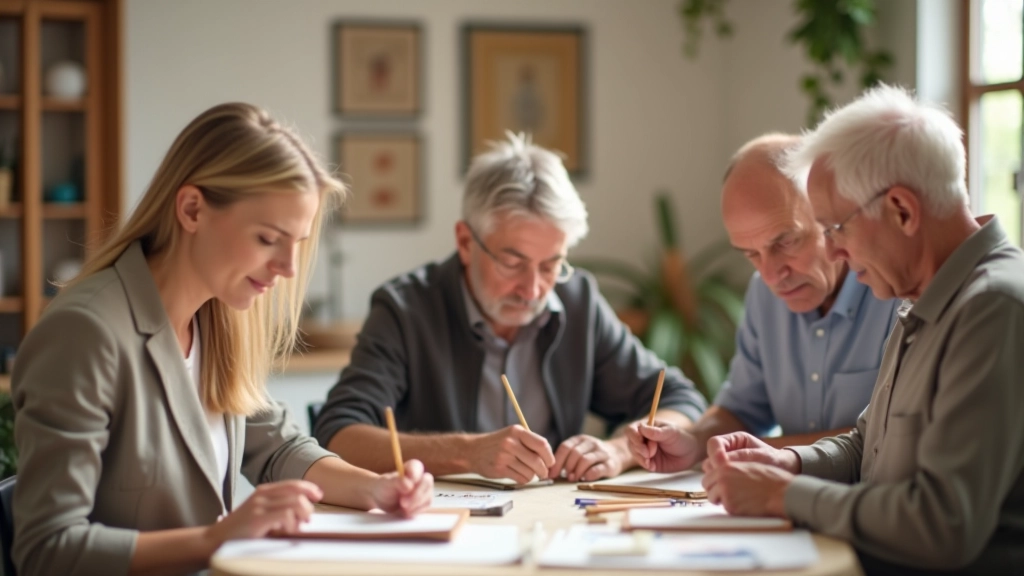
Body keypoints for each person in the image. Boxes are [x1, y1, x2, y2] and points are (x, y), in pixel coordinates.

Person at [11, 103, 434, 576]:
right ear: (192, 209)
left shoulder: (218, 317)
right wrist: (217, 538)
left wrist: (374, 488)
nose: (288, 268)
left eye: (296, 243)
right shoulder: (84, 333)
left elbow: (277, 447)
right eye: (268, 239)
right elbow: (47, 549)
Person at [645, 85, 1024, 574]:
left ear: (902, 211)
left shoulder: (992, 306)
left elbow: (943, 524)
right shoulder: (923, 295)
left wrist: (783, 494)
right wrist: (790, 462)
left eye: (836, 228)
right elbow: (868, 445)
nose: (834, 251)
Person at [314, 132, 707, 484]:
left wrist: (619, 451)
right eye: (512, 262)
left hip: (554, 520)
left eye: (551, 264)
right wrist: (468, 452)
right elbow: (337, 434)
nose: (532, 289)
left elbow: (678, 400)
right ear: (465, 242)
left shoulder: (578, 301)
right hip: (443, 522)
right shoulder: (406, 309)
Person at [626, 134, 898, 472]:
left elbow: (886, 441)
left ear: (832, 217)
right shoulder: (764, 293)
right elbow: (741, 410)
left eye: (785, 242)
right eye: (751, 254)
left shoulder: (896, 291)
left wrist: (767, 452)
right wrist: (694, 442)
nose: (771, 275)